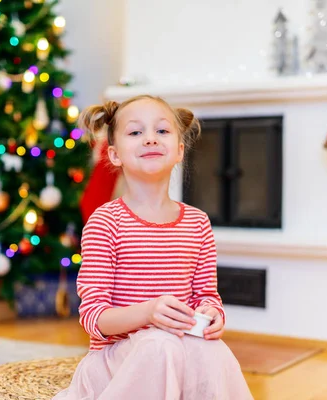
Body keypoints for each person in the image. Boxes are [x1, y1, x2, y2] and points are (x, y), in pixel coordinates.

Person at [53, 95, 253, 400]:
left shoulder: (197, 223)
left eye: (162, 131)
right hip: (115, 365)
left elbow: (206, 295)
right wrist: (149, 313)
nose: (150, 139)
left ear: (179, 152)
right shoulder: (106, 221)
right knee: (160, 344)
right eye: (135, 132)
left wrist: (213, 315)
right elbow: (94, 318)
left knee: (211, 350)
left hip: (177, 354)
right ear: (115, 155)